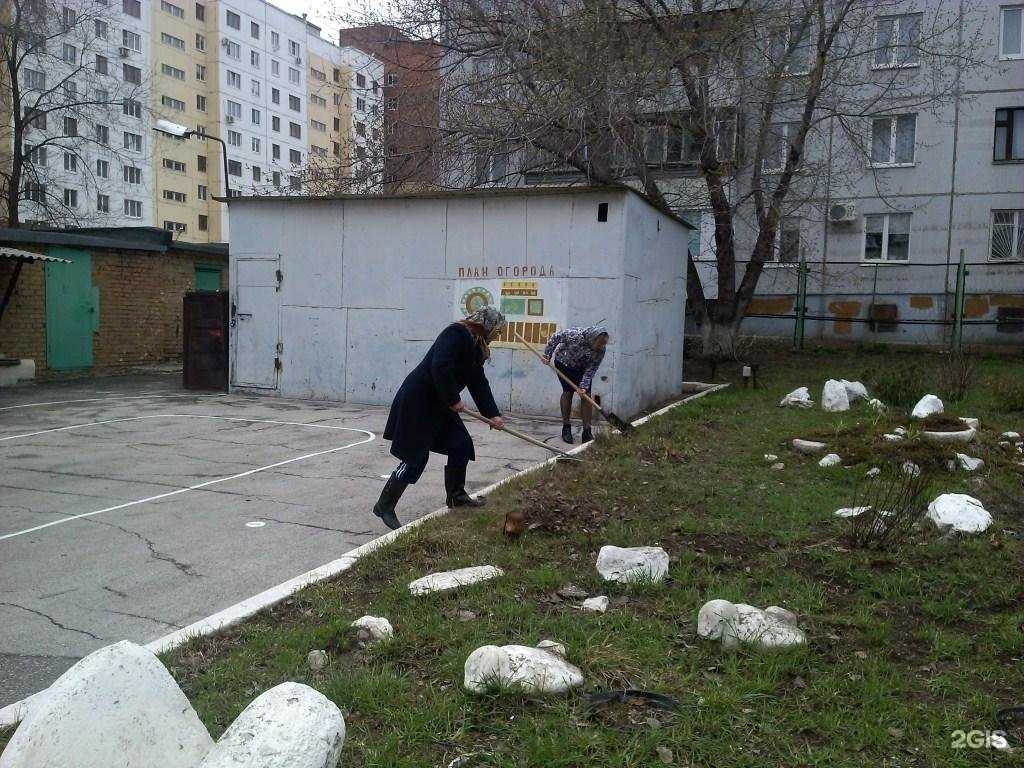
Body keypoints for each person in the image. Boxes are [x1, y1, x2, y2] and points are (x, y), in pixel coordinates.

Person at [371, 306, 506, 530]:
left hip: (441, 404)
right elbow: (439, 366)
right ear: (484, 324)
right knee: (416, 457)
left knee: (460, 444)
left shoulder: (474, 346)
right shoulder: (455, 334)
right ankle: (384, 505)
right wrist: (453, 399)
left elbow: (478, 382)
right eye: (495, 329)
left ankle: (456, 496)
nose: (496, 334)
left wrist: (493, 414)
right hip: (419, 401)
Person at [541, 324, 609, 444]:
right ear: (592, 339)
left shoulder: (601, 349)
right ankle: (566, 428)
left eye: (602, 345)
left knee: (586, 395)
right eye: (597, 345)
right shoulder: (574, 335)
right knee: (568, 392)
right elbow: (555, 337)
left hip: (583, 368)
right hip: (564, 364)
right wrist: (547, 354)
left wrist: (583, 386)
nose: (599, 348)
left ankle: (587, 431)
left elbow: (592, 369)